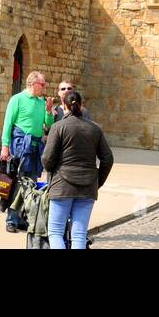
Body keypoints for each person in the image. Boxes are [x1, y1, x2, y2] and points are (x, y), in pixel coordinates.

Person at [40, 89, 113, 250]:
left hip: (62, 185)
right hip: (87, 187)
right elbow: (107, 159)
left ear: (64, 107)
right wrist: (97, 181)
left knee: (55, 232)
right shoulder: (94, 129)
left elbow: (46, 159)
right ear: (81, 106)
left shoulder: (58, 127)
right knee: (79, 234)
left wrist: (51, 169)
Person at [0, 69, 52, 232]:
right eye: (41, 84)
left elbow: (47, 125)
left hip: (35, 146)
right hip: (20, 144)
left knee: (32, 183)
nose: (44, 87)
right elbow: (8, 124)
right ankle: (11, 220)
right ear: (32, 84)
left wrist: (49, 112)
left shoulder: (41, 102)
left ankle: (22, 218)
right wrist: (5, 146)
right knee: (18, 182)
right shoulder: (17, 99)